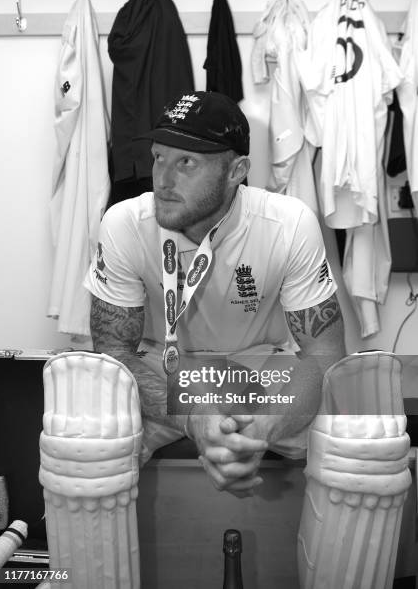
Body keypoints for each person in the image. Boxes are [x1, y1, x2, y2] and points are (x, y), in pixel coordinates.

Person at [84, 90, 346, 498]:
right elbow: (113, 354)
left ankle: (326, 560)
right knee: (87, 439)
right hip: (161, 363)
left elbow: (324, 353)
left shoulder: (289, 223)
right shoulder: (125, 223)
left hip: (259, 364)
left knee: (358, 437)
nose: (163, 180)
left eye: (186, 162)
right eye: (158, 158)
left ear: (236, 171)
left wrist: (262, 430)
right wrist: (194, 416)